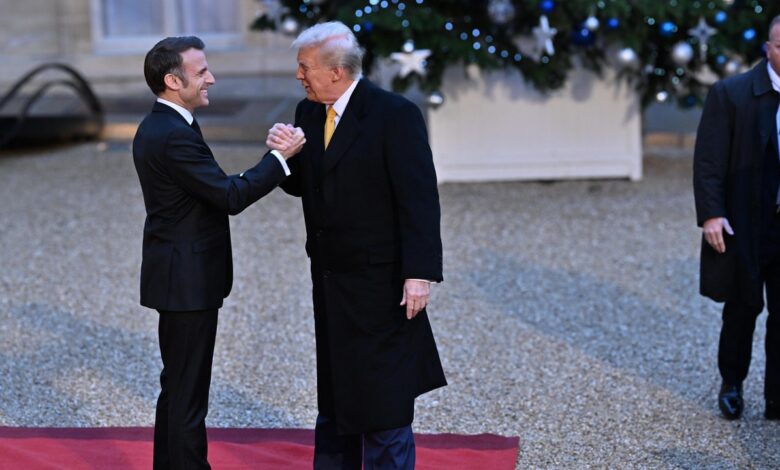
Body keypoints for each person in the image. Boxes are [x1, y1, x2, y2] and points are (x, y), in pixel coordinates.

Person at [267, 21, 446, 469]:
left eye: (304, 67)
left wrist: (419, 274)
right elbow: (312, 185)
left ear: (335, 71)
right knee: (336, 389)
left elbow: (419, 199)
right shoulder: (308, 112)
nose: (298, 75)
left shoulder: (394, 114)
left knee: (383, 398)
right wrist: (284, 159)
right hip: (329, 278)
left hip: (380, 281)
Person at [132, 36, 304, 469]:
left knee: (178, 388)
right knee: (187, 396)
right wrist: (279, 158)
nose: (212, 78)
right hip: (185, 282)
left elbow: (209, 187)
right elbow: (229, 195)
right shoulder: (172, 133)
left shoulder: (168, 124)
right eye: (201, 71)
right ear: (174, 80)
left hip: (177, 277)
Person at [693, 16, 780, 421]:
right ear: (768, 48)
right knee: (742, 308)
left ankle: (778, 395)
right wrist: (712, 214)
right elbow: (708, 161)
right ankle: (732, 383)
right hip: (745, 223)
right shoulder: (731, 94)